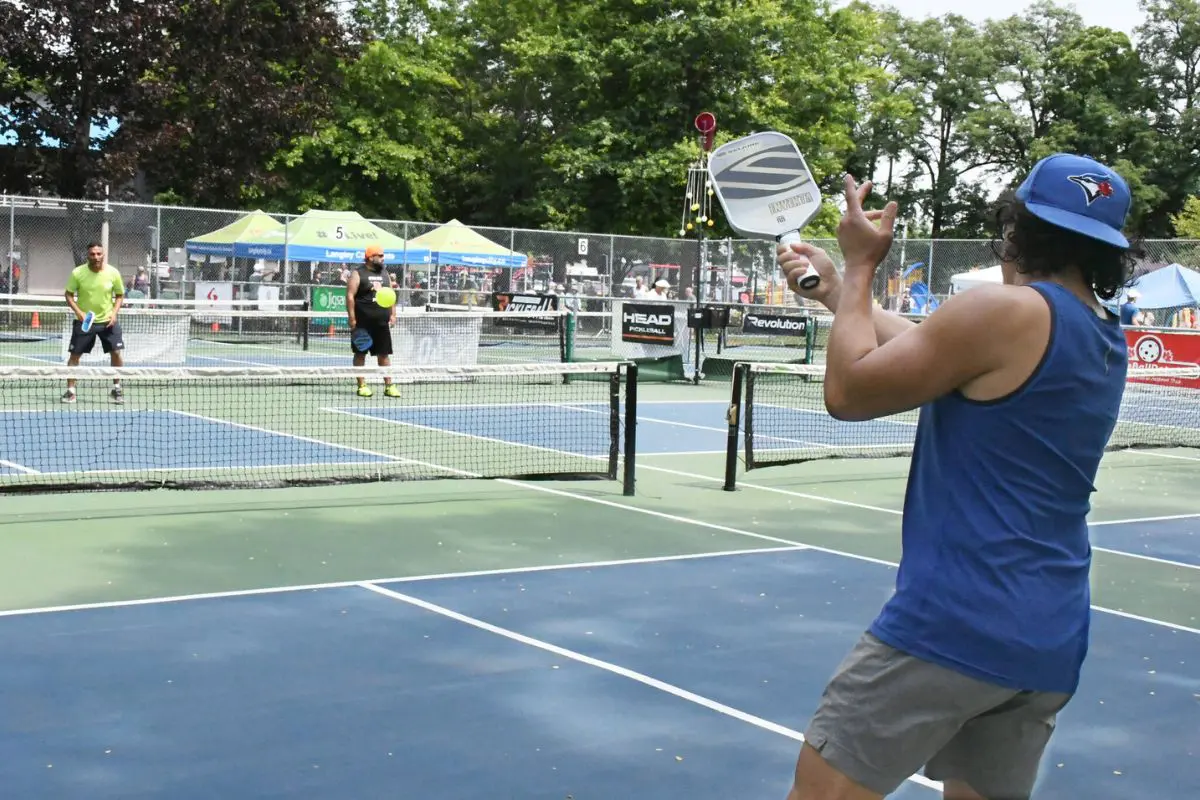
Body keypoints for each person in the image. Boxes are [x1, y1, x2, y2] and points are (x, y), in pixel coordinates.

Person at [776, 153, 1135, 800]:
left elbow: (849, 392)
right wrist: (836, 293)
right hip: (1046, 636)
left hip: (953, 624)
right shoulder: (1104, 336)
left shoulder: (1003, 311)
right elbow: (937, 349)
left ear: (1016, 230)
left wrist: (859, 267)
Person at [63, 242, 126, 404]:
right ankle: (71, 391)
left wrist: (114, 313)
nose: (96, 257)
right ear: (88, 255)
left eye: (99, 254)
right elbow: (68, 295)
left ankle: (117, 388)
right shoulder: (78, 273)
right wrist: (79, 313)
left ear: (103, 254)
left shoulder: (113, 273)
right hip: (85, 323)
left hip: (108, 322)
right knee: (74, 356)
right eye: (92, 254)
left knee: (117, 353)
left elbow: (119, 295)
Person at [345, 243, 399, 398]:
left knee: (384, 355)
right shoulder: (357, 273)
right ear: (370, 257)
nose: (383, 258)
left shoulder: (385, 272)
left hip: (381, 323)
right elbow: (350, 296)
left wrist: (393, 314)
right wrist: (352, 317)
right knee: (360, 354)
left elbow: (390, 294)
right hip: (362, 323)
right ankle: (362, 385)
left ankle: (389, 386)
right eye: (380, 255)